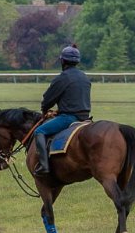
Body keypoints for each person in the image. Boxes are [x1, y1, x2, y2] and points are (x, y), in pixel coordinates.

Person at [32, 44, 92, 177]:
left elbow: (48, 99)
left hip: (69, 118)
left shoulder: (62, 78)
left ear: (63, 61)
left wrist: (45, 110)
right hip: (86, 118)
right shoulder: (84, 77)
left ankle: (44, 166)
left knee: (39, 131)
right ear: (77, 61)